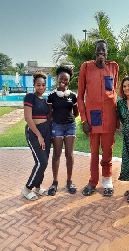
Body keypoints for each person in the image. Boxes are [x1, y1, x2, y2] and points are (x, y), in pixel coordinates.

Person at [78, 39, 119, 197]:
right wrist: (84, 120)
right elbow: (80, 96)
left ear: (107, 52)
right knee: (94, 152)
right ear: (95, 52)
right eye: (98, 50)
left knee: (107, 151)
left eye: (103, 50)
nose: (101, 53)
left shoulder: (113, 67)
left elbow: (114, 90)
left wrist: (117, 118)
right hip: (93, 117)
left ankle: (107, 180)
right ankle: (92, 182)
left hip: (109, 115)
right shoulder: (86, 67)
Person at [47, 66, 79, 196]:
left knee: (69, 155)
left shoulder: (73, 96)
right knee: (56, 154)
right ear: (57, 78)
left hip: (70, 126)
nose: (63, 81)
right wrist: (55, 124)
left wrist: (68, 120)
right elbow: (49, 115)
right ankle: (54, 182)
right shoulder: (51, 96)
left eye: (66, 79)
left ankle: (69, 181)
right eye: (61, 78)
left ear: (68, 81)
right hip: (57, 127)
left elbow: (76, 113)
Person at [22, 71, 51, 201]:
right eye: (38, 85)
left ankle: (37, 187)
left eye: (43, 85)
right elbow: (28, 118)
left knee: (43, 161)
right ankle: (27, 188)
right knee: (41, 162)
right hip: (34, 132)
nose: (41, 87)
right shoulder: (30, 97)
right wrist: (39, 135)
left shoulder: (45, 100)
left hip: (46, 131)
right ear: (34, 85)